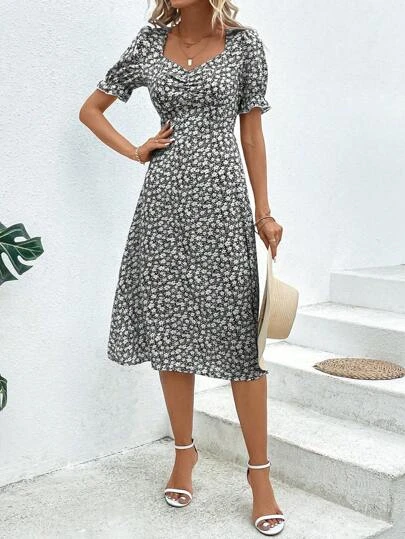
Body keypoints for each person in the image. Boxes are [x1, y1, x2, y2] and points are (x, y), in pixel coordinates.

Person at [79, 0, 284, 535]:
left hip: (222, 204)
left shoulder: (244, 44)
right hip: (163, 205)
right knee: (171, 331)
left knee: (241, 342)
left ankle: (260, 475)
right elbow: (91, 109)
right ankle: (184, 453)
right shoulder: (150, 42)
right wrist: (136, 150)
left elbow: (252, 134)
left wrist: (263, 212)